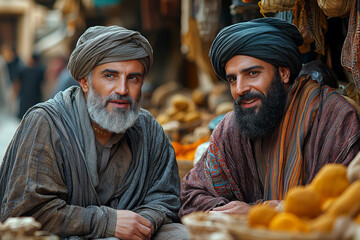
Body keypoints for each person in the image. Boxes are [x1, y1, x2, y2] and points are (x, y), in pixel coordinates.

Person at [0, 25, 189, 240]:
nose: (122, 90)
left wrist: (141, 223)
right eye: (110, 76)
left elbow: (165, 197)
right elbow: (27, 212)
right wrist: (108, 223)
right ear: (84, 82)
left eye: (133, 78)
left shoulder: (149, 129)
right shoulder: (46, 123)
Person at [179, 17, 360, 217]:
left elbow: (347, 203)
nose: (240, 89)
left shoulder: (333, 118)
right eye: (232, 79)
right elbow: (190, 196)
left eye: (252, 73)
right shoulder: (231, 129)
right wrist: (228, 213)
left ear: (283, 73)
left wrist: (260, 211)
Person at [13, 53, 46, 119]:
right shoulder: (40, 71)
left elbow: (17, 83)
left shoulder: (24, 70)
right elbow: (44, 83)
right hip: (35, 99)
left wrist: (15, 95)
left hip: (24, 98)